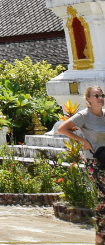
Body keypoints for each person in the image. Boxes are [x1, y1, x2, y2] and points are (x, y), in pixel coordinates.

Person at [56, 85, 105, 243]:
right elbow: (62, 129)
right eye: (96, 96)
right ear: (88, 99)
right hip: (94, 161)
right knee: (104, 197)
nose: (100, 98)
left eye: (101, 95)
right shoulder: (84, 115)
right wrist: (83, 141)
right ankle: (100, 236)